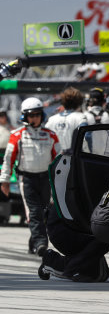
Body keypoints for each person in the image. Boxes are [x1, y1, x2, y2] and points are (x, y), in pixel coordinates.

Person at [0, 97, 60, 256]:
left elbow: (59, 160)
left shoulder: (51, 135)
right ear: (24, 116)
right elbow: (8, 159)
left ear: (42, 115)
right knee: (33, 213)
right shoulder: (16, 135)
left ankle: (33, 243)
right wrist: (4, 181)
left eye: (37, 114)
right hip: (26, 180)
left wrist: (60, 181)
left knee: (45, 213)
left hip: (46, 180)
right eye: (31, 115)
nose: (34, 118)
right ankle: (41, 244)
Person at [40, 201, 109, 282]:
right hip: (63, 229)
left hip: (76, 226)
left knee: (99, 273)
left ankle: (75, 266)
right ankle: (55, 262)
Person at [45, 87, 87, 153]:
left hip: (55, 160)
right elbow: (87, 138)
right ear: (79, 102)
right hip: (73, 161)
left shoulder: (51, 119)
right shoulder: (81, 117)